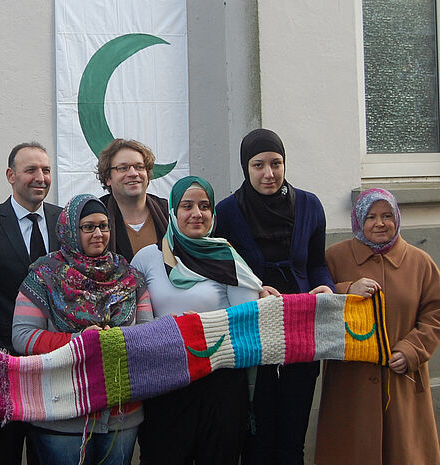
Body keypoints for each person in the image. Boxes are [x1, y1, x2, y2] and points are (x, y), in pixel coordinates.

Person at [214, 128, 333, 465]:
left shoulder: (309, 205)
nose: (268, 174)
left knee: (294, 435)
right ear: (245, 167)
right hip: (254, 333)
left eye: (276, 163)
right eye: (258, 165)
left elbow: (316, 264)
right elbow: (223, 274)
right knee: (258, 434)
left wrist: (327, 287)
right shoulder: (227, 212)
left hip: (301, 330)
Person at [131, 176, 263, 465]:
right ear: (172, 212)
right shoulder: (148, 258)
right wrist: (175, 333)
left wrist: (200, 330)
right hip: (166, 385)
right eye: (187, 205)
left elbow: (247, 324)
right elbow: (134, 322)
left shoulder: (228, 257)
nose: (196, 214)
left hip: (220, 387)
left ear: (213, 214)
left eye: (205, 206)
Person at [12, 193, 152, 465]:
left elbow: (147, 334)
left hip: (121, 413)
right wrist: (80, 342)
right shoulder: (44, 275)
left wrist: (115, 339)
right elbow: (23, 337)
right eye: (88, 227)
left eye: (104, 226)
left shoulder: (129, 276)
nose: (98, 233)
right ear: (69, 230)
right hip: (62, 411)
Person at [315, 188, 440, 465]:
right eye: (370, 216)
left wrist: (411, 351)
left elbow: (435, 314)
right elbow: (316, 300)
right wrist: (347, 290)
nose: (379, 223)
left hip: (403, 382)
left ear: (397, 217)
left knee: (405, 453)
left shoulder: (421, 263)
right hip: (351, 384)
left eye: (386, 216)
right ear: (358, 220)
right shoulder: (334, 258)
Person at [0, 141, 62, 465]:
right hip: (5, 365)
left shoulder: (65, 220)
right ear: (11, 175)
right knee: (5, 453)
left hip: (55, 364)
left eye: (46, 170)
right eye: (31, 170)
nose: (40, 177)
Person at [96, 138, 169, 261]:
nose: (133, 173)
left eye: (139, 167)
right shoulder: (96, 215)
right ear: (108, 177)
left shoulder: (167, 212)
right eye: (123, 168)